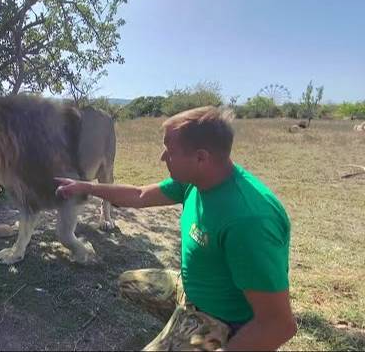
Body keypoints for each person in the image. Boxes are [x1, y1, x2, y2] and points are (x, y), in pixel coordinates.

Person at [55, 106, 297, 351]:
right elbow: (139, 195)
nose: (162, 157)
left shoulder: (249, 220)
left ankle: (203, 340)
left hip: (220, 319)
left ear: (201, 157)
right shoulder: (196, 181)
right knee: (128, 283)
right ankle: (180, 327)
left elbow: (278, 325)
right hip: (191, 291)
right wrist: (85, 187)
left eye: (169, 151)